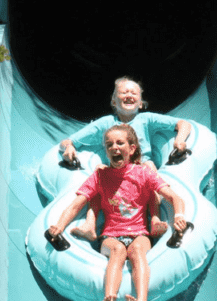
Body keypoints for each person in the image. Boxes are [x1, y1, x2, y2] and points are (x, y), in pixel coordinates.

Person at [48, 124, 188, 301]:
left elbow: (174, 197)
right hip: (110, 235)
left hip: (140, 232)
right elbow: (74, 205)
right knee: (117, 252)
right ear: (106, 151)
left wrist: (178, 216)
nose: (114, 147)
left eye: (120, 143)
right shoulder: (99, 176)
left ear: (131, 149)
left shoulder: (143, 174)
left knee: (138, 251)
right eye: (109, 144)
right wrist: (59, 227)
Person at [58, 77, 192, 241]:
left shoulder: (146, 119)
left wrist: (179, 140)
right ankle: (90, 224)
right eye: (123, 92)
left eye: (133, 92)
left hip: (142, 171)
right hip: (116, 174)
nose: (129, 95)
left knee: (148, 166)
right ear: (114, 102)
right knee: (99, 171)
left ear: (141, 103)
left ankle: (155, 218)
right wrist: (69, 147)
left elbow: (183, 124)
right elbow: (67, 141)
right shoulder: (106, 123)